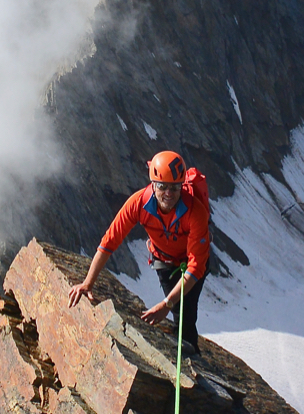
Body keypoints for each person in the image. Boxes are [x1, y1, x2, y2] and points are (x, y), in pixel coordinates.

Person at [67, 150, 211, 353]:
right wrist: (87, 283)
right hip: (164, 260)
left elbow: (196, 267)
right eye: (162, 186)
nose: (168, 193)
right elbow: (109, 241)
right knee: (180, 309)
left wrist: (166, 303)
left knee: (184, 311)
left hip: (192, 262)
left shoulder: (195, 212)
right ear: (153, 184)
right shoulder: (138, 204)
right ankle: (186, 355)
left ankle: (190, 358)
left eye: (175, 187)